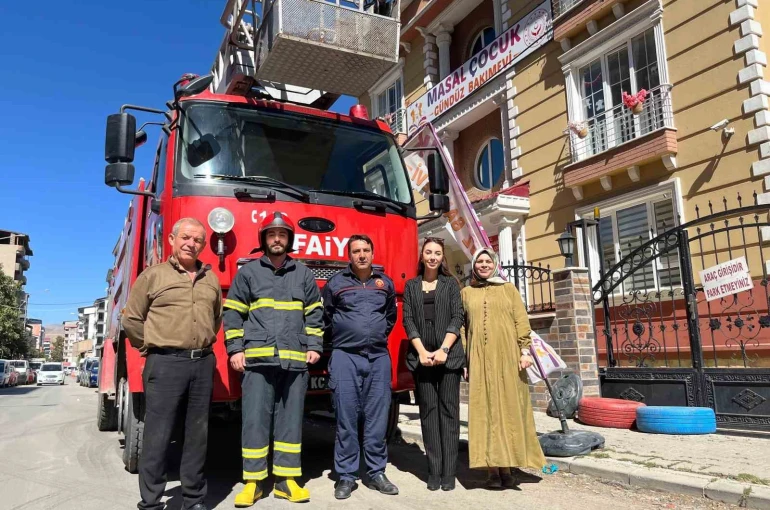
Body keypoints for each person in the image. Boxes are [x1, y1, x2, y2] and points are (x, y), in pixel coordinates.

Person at [223, 212, 324, 507]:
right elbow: (232, 314)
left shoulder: (302, 273)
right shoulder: (249, 273)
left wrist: (315, 345)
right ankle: (253, 483)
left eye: (282, 234)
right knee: (254, 421)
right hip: (257, 360)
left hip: (294, 360)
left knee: (290, 422)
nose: (277, 239)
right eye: (271, 235)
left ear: (288, 239)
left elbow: (314, 313)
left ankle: (286, 480)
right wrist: (235, 349)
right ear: (264, 240)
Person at [123, 217, 223, 510]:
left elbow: (216, 319)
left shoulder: (211, 278)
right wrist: (150, 345)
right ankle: (151, 502)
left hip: (202, 363)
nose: (191, 244)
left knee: (197, 435)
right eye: (186, 237)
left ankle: (193, 499)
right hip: (165, 364)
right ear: (172, 239)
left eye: (198, 240)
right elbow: (131, 319)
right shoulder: (153, 276)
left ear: (204, 245)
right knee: (158, 435)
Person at [461, 247, 546, 489]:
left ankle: (508, 468)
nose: (484, 265)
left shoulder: (509, 289)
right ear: (474, 266)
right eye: (480, 262)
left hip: (509, 358)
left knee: (508, 410)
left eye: (488, 261)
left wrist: (525, 350)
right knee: (485, 411)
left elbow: (521, 320)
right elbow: (462, 328)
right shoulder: (466, 293)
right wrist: (466, 360)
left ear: (495, 264)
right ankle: (491, 471)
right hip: (479, 360)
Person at [322, 234, 399, 500]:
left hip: (378, 357)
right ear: (349, 255)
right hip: (346, 357)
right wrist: (349, 335)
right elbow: (328, 316)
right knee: (346, 418)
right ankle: (346, 475)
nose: (362, 255)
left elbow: (390, 317)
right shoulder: (336, 284)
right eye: (357, 251)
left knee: (377, 419)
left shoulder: (384, 283)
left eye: (366, 250)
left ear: (372, 253)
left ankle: (376, 472)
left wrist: (373, 335)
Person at [402, 237, 465, 491]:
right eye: (428, 252)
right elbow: (408, 320)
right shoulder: (411, 286)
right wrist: (422, 351)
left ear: (442, 257)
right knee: (428, 414)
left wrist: (443, 349)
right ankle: (434, 470)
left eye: (437, 253)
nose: (432, 257)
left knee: (449, 414)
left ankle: (449, 472)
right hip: (422, 360)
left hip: (448, 359)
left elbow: (457, 316)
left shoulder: (451, 284)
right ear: (422, 255)